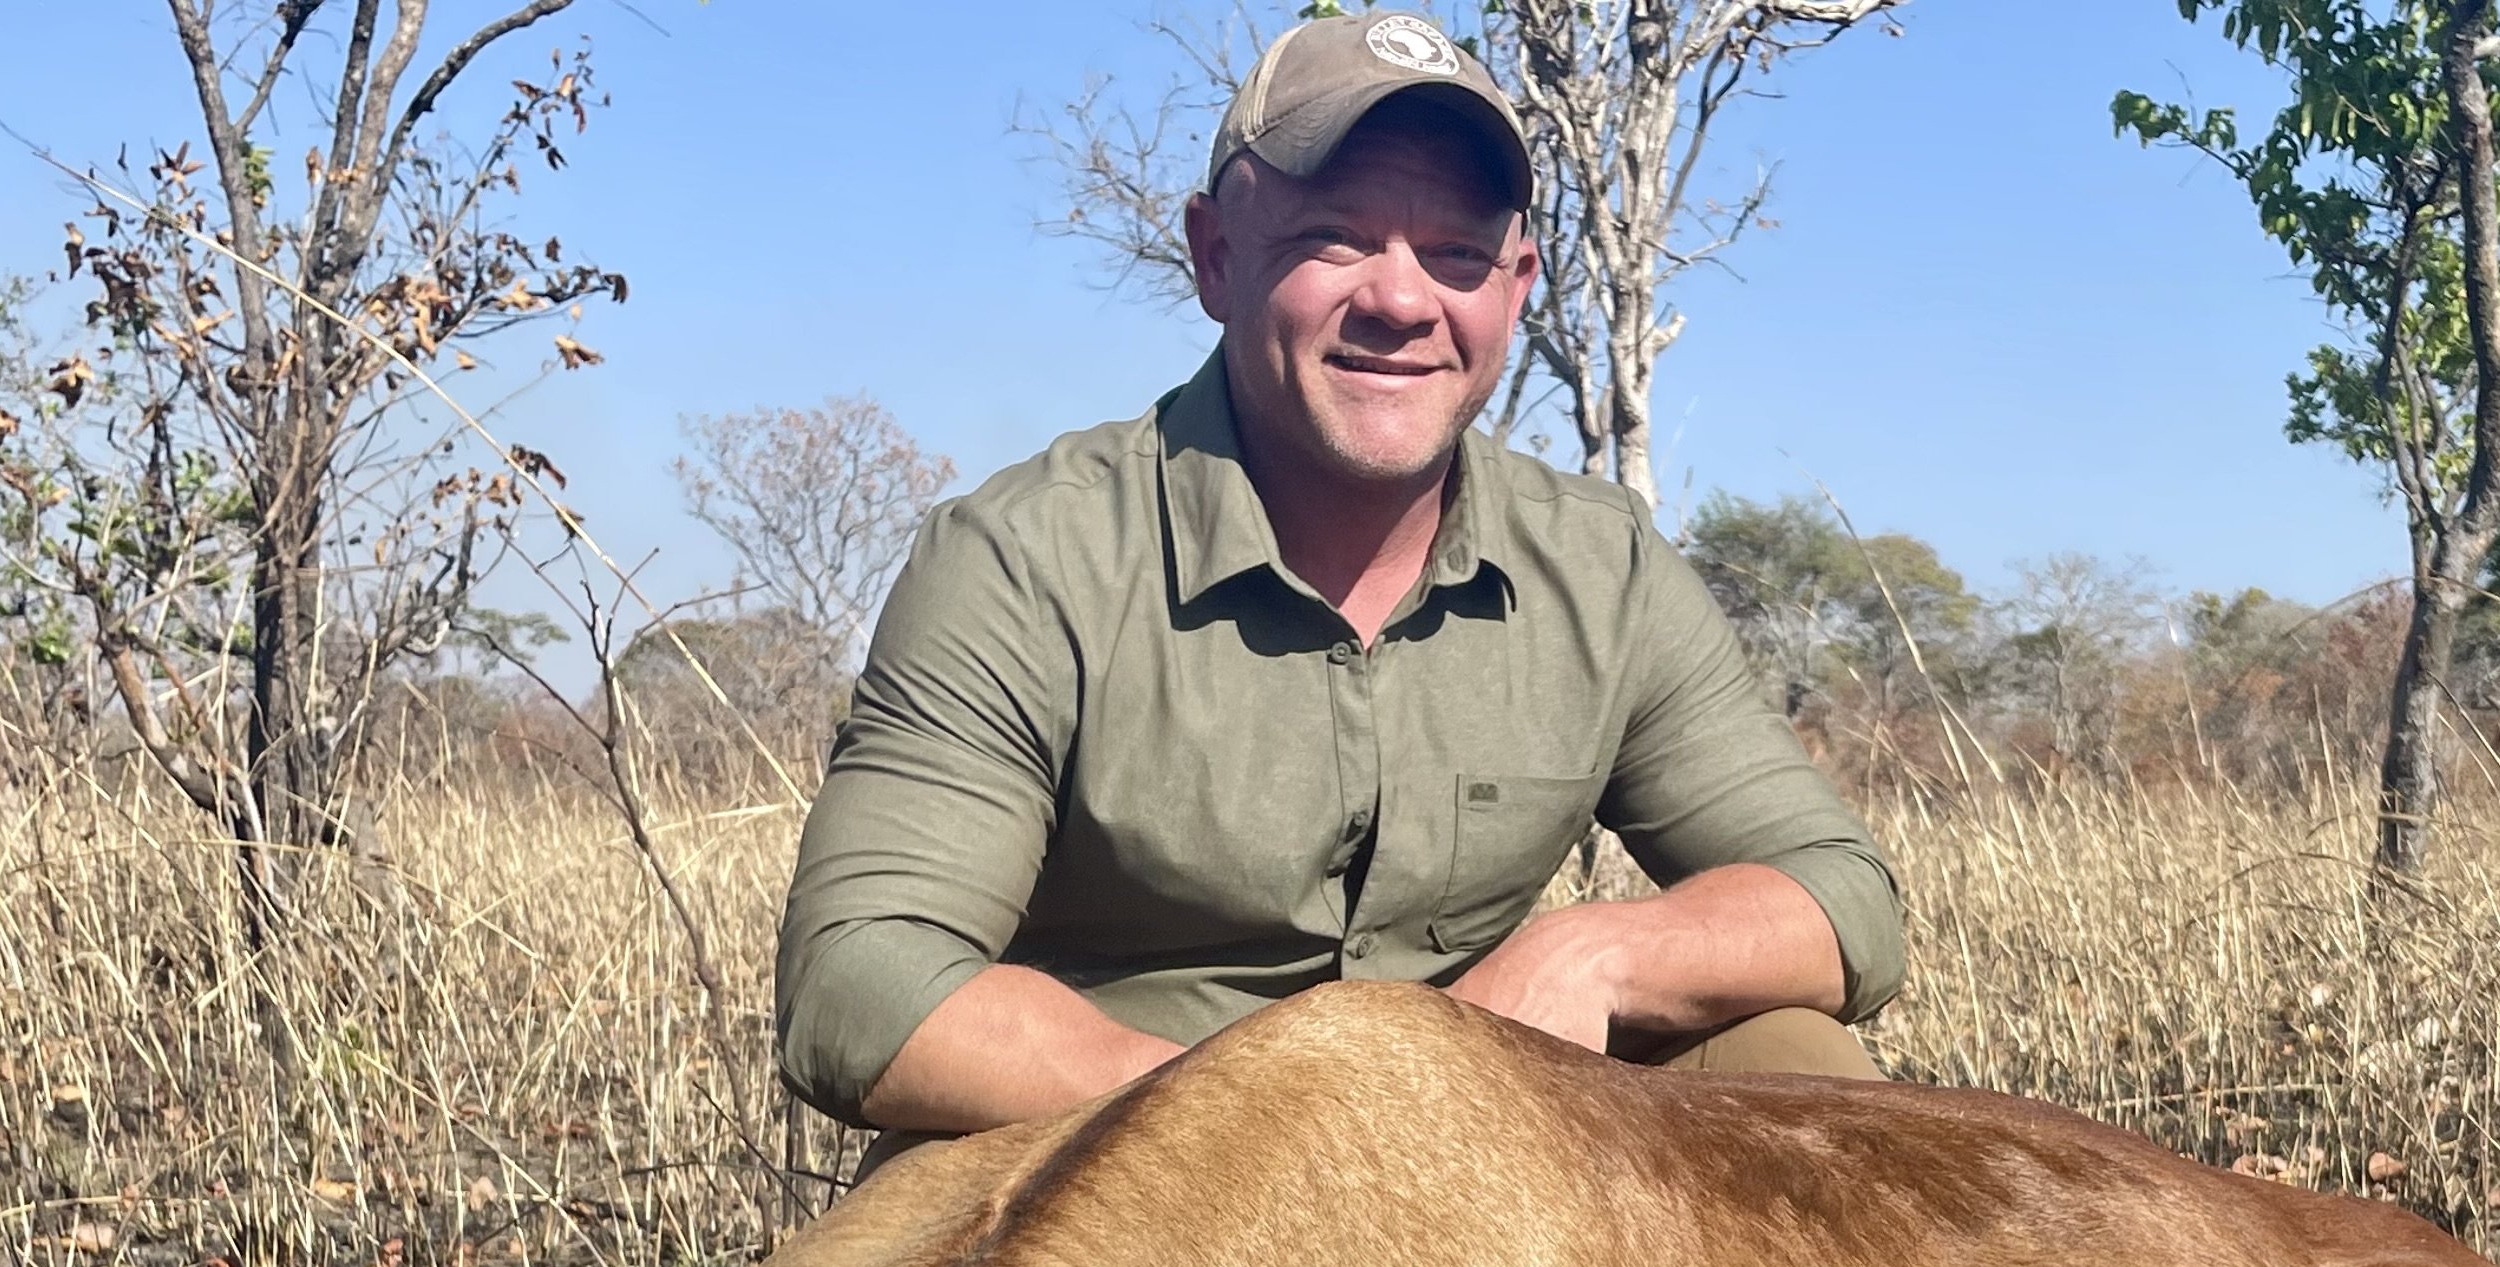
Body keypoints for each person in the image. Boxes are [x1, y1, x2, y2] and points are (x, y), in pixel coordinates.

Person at [773, 10, 1903, 1138]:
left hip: (1487, 1141)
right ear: (1215, 257)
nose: (1402, 302)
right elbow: (861, 980)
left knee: (1794, 1062)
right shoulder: (1026, 559)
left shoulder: (1601, 567)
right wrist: (1282, 1125)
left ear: (1516, 287)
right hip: (1122, 1166)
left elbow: (1841, 900)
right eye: (1334, 238)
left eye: (1456, 254)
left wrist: (1594, 954)